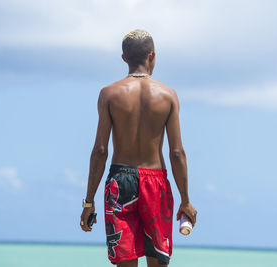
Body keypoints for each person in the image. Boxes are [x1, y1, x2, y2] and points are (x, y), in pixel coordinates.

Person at [80, 29, 197, 267]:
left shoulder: (109, 94)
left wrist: (88, 202)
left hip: (119, 183)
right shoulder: (169, 96)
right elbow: (177, 153)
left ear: (124, 58)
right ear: (153, 55)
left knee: (125, 261)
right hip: (156, 183)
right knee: (158, 261)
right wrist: (186, 200)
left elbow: (100, 150)